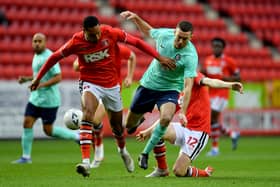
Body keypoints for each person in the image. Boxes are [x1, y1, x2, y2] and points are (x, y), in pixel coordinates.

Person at [29, 16, 175, 177]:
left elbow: (137, 43)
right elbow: (54, 57)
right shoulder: (76, 42)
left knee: (118, 128)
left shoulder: (110, 33)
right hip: (90, 83)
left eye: (98, 33)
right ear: (84, 32)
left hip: (112, 86)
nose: (97, 37)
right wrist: (37, 78)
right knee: (88, 114)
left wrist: (159, 57)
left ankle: (122, 150)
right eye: (93, 35)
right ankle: (86, 162)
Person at [120, 11, 198, 170]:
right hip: (148, 85)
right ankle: (138, 120)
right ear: (174, 32)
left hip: (170, 89)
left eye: (185, 38)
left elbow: (188, 85)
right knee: (128, 126)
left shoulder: (190, 55)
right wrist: (136, 18)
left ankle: (145, 153)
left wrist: (182, 111)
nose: (180, 41)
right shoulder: (165, 35)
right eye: (179, 36)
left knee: (166, 117)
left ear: (191, 38)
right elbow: (149, 31)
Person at [136, 72, 244, 177]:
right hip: (184, 128)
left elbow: (210, 81)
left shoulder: (193, 75)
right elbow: (165, 117)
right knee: (158, 131)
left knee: (179, 171)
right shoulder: (178, 90)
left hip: (199, 132)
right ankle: (162, 169)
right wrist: (148, 131)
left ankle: (204, 173)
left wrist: (229, 85)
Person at [12, 33, 79, 164]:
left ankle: (77, 136)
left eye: (39, 41)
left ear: (45, 42)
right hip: (35, 99)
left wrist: (40, 85)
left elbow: (58, 77)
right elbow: (39, 75)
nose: (37, 43)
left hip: (49, 101)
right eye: (34, 41)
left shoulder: (49, 56)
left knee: (48, 130)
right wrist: (27, 79)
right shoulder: (36, 56)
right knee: (27, 123)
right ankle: (26, 157)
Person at [72, 44, 137, 168]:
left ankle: (122, 150)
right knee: (90, 120)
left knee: (114, 127)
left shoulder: (115, 48)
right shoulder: (89, 49)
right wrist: (90, 61)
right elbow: (75, 66)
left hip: (111, 89)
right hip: (92, 87)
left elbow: (132, 56)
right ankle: (94, 154)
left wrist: (129, 76)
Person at [201, 37, 241, 156]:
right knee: (212, 119)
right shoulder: (208, 60)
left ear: (223, 48)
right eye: (214, 46)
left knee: (212, 117)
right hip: (210, 93)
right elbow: (205, 74)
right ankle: (231, 134)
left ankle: (215, 148)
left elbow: (238, 78)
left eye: (218, 46)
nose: (216, 48)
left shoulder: (229, 61)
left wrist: (228, 79)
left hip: (222, 93)